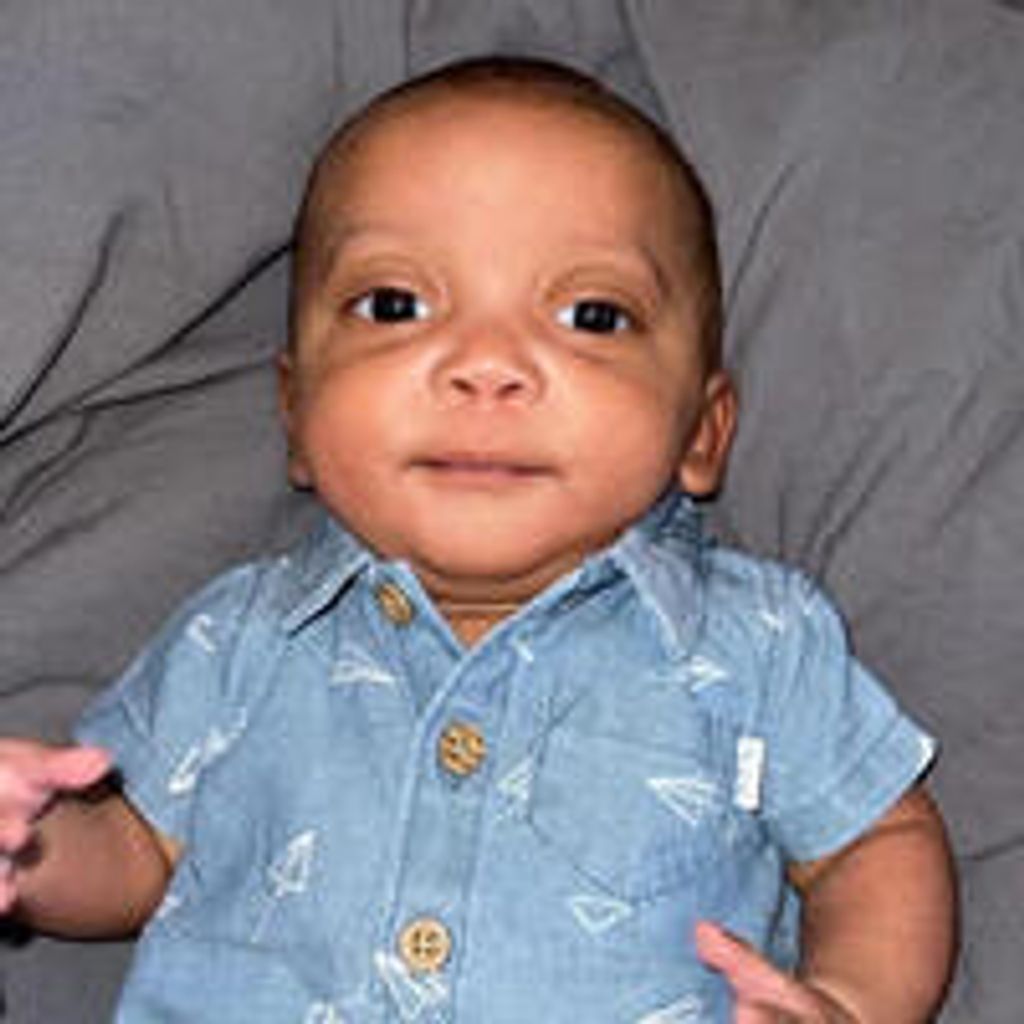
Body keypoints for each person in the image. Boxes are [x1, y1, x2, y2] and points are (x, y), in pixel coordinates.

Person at [0, 57, 955, 1022]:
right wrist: (31, 845)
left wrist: (848, 1002)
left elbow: (873, 845)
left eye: (592, 316)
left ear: (702, 433)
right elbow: (133, 854)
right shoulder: (237, 640)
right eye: (395, 305)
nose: (486, 365)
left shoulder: (758, 643)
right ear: (295, 412)